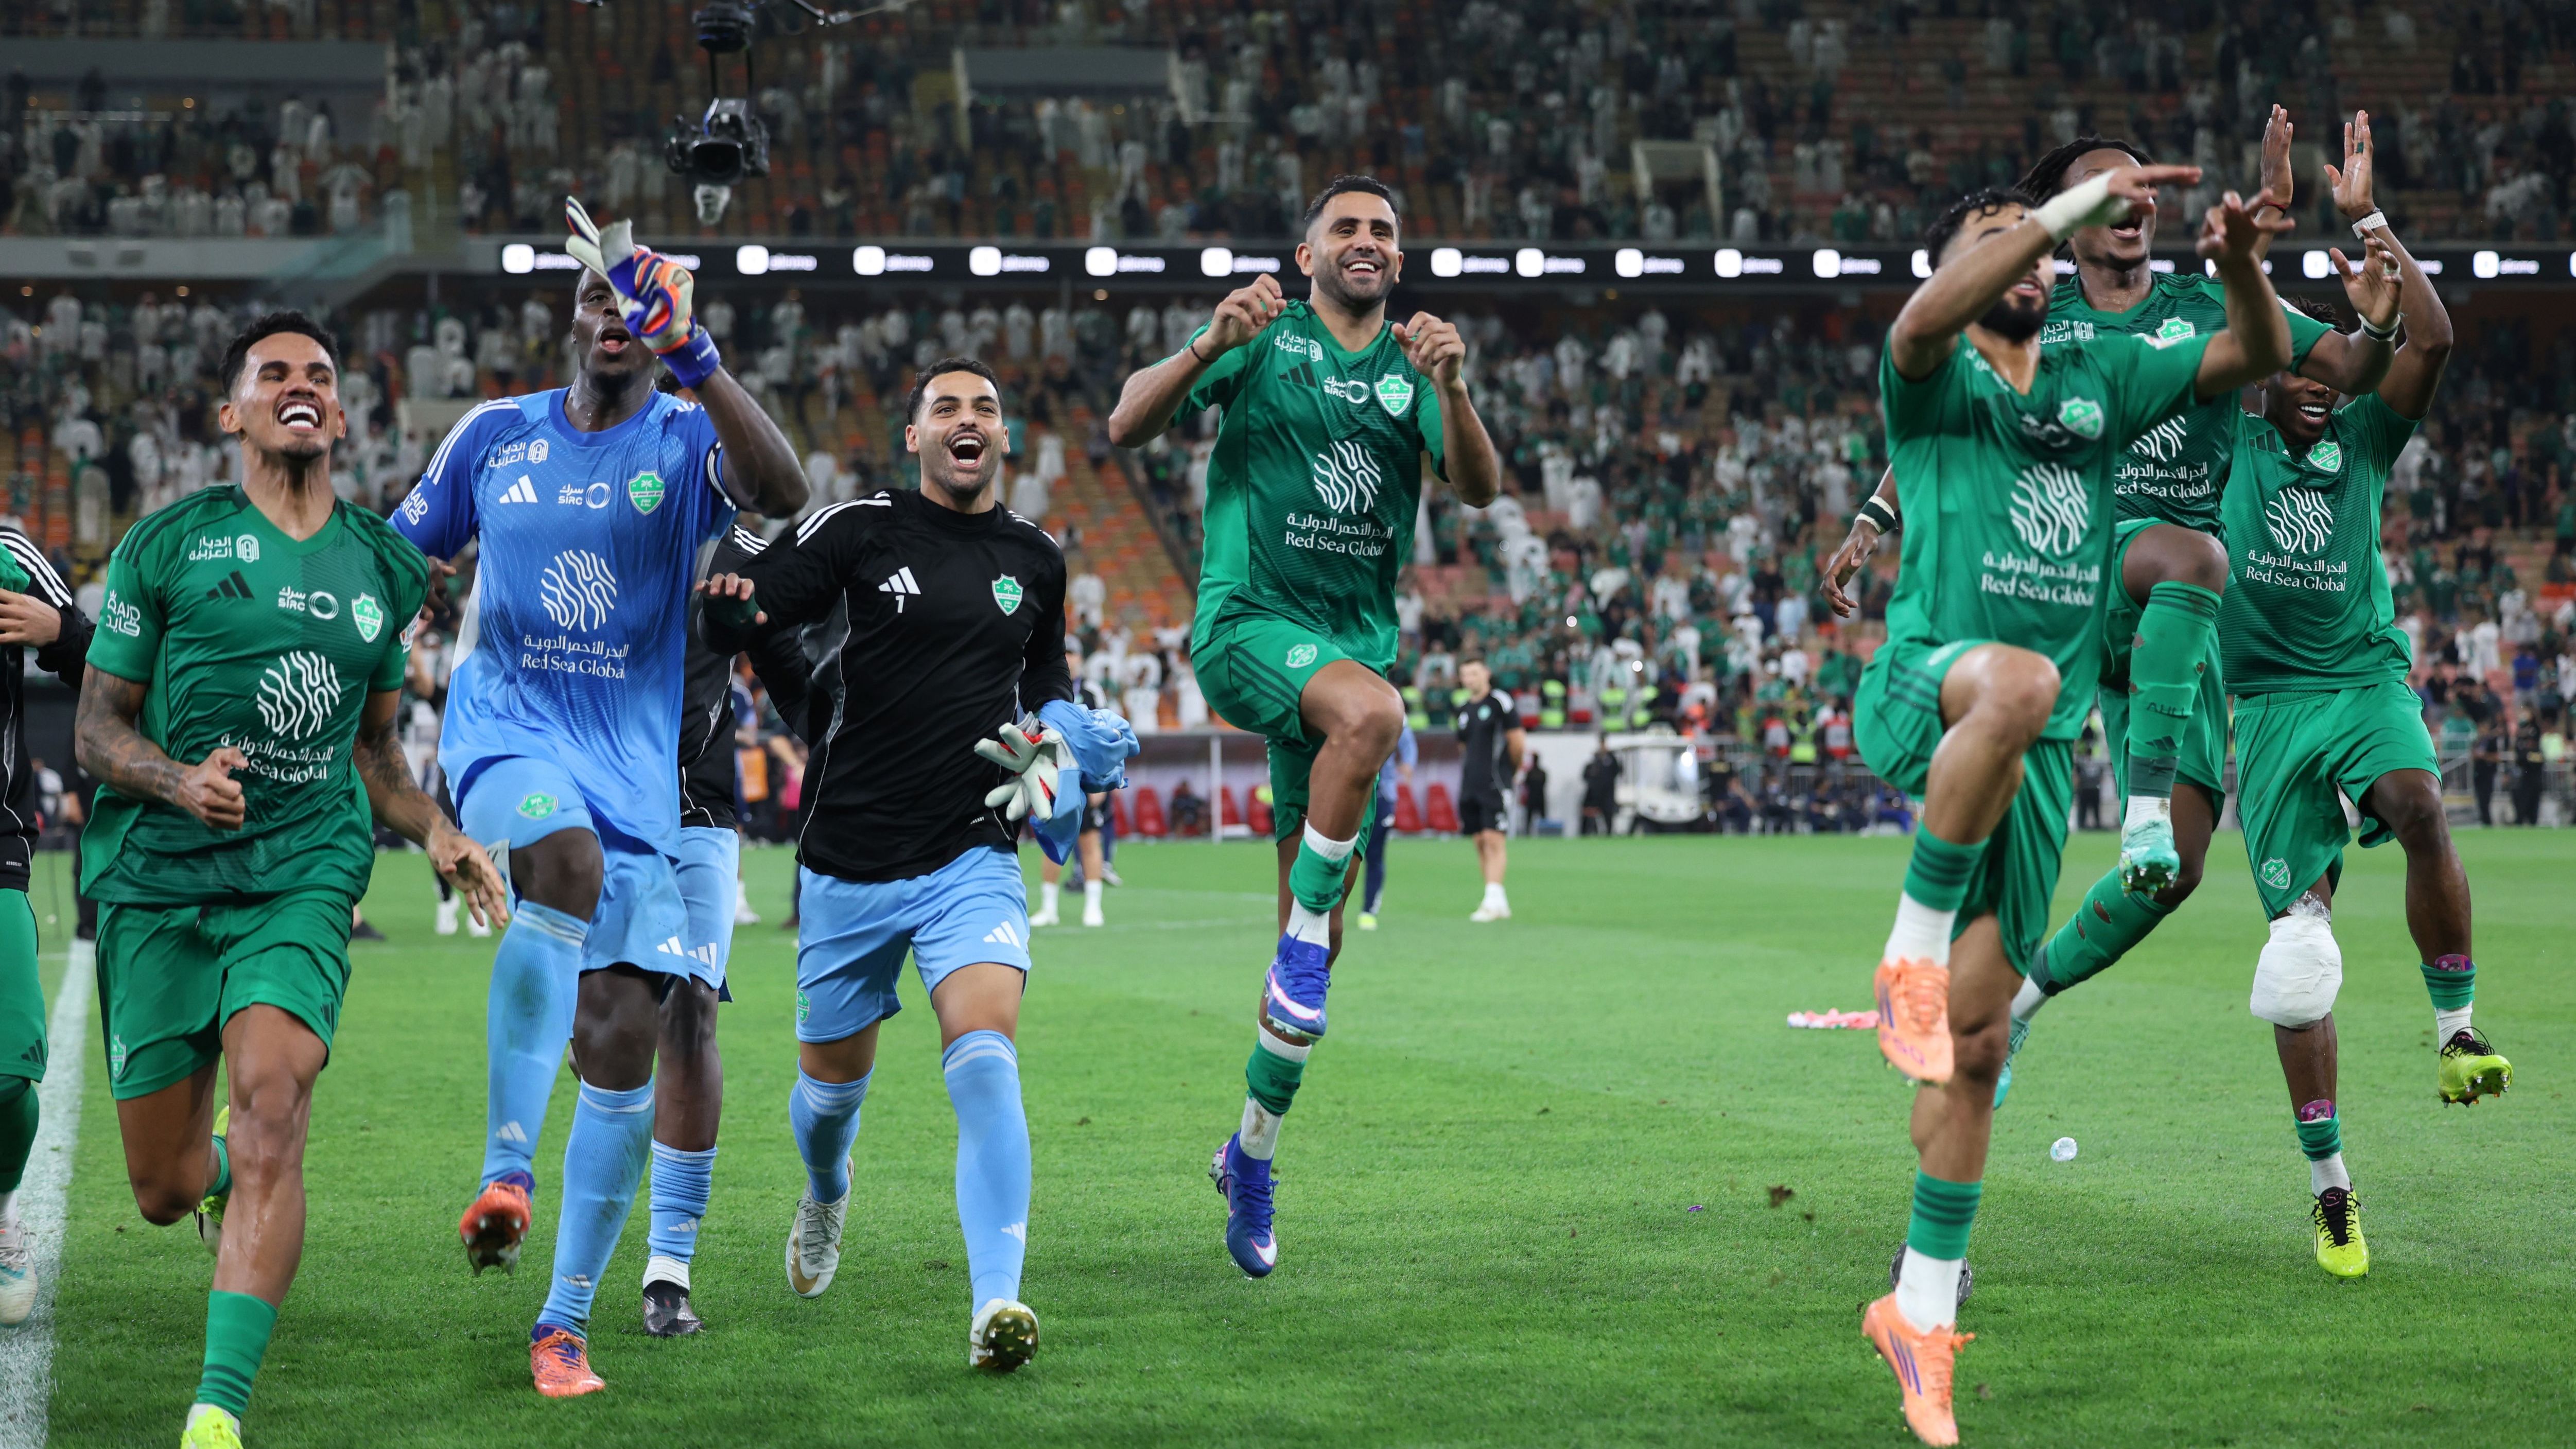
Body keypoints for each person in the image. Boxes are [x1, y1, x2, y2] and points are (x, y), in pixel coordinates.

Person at [1823, 112, 2400, 1098]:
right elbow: (1950, 397)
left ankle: (2017, 1006)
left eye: (2143, 190)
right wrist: (1874, 517)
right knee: (2189, 552)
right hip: (2084, 571)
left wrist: (2356, 298)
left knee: (2171, 872)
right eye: (2106, 191)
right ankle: (2074, 840)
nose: (2134, 204)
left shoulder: (2198, 304)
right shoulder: (2033, 316)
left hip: (2178, 611)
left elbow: (2347, 370)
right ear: (2062, 223)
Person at [1853, 170, 2292, 1446]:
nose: (2025, 261)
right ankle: (1908, 954)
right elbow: (1923, 318)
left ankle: (1917, 1311)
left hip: (2033, 761)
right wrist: (2043, 216)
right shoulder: (1932, 376)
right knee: (2026, 680)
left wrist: (2244, 260)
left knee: (1979, 1053)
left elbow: (2250, 354)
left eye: (2027, 243)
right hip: (1930, 686)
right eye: (1991, 243)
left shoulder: (2099, 385)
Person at [393, 202, 809, 1395]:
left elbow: (779, 488)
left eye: (643, 302)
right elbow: (395, 550)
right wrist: (404, 586)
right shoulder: (495, 434)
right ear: (569, 317)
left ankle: (561, 1322)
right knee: (563, 867)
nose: (616, 316)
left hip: (637, 771)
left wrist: (704, 358)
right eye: (599, 298)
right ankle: (507, 1166)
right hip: (509, 737)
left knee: (625, 1036)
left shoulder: (685, 437)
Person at [74, 312, 508, 1449]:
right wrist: (174, 782)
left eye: (320, 375)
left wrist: (436, 829)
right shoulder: (164, 545)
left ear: (342, 413)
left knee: (275, 1101)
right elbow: (95, 729)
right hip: (159, 878)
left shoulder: (385, 565)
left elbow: (374, 754)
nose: (300, 387)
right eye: (275, 375)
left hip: (302, 870)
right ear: (233, 414)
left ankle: (215, 1415)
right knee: (163, 1188)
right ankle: (209, 1168)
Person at [701, 358, 1135, 1373]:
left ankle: (998, 1305)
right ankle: (825, 1190)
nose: (968, 420)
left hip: (971, 849)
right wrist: (733, 613)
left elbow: (1045, 672)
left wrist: (1058, 739)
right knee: (829, 1100)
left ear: (1003, 438)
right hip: (848, 859)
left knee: (986, 1057)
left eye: (984, 407)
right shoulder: (861, 529)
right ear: (916, 436)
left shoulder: (1035, 557)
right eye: (948, 407)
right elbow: (763, 606)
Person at [1105, 174, 1500, 1279]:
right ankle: (1301, 957)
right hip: (1249, 629)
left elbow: (1478, 487)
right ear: (1309, 248)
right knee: (1377, 716)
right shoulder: (1262, 337)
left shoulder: (1415, 367)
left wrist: (1456, 389)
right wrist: (1202, 344)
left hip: (1338, 673)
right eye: (1348, 229)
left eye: (1383, 230)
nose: (1366, 242)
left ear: (1399, 259)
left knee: (1307, 971)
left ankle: (1251, 1154)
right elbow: (1126, 422)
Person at [2219, 254, 2507, 1280]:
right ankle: (2331, 1189)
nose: (2313, 383)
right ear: (2260, 372)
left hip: (2362, 677)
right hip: (2267, 709)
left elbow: (2430, 341)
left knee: (2423, 808)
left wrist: (2376, 228)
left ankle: (2459, 1034)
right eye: (2292, 366)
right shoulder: (2227, 442)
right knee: (2298, 959)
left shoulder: (2366, 436)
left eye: (2326, 367)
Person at [642, 520, 810, 1336]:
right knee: (598, 1036)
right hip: (587, 804)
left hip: (697, 804)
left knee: (691, 1011)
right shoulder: (585, 502)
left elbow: (799, 653)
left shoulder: (747, 551)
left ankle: (667, 1270)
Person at [0, 523, 87, 1328]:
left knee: (7, 1066)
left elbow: (107, 660)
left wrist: (57, 630)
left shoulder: (7, 551)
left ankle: (1, 1207)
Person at [1030, 643, 1112, 928]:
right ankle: (1049, 907)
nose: (1069, 659)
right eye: (1064, 653)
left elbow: (1104, 731)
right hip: (1051, 772)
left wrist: (1101, 784)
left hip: (1084, 775)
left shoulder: (1091, 690)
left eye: (1074, 653)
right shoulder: (1045, 687)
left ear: (1081, 658)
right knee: (1051, 838)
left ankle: (1093, 907)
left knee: (1089, 839)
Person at [1455, 658, 1525, 921]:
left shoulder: (1500, 702)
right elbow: (1463, 747)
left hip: (1495, 782)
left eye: (1473, 673)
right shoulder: (1462, 709)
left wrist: (1509, 774)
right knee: (1480, 841)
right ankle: (1496, 900)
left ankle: (1492, 901)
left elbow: (1517, 742)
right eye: (1464, 674)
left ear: (1486, 673)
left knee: (1495, 840)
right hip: (1470, 784)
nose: (1469, 678)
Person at [1356, 722, 1415, 930]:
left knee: (1374, 855)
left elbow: (1406, 737)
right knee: (1337, 853)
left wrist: (1409, 762)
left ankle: (1368, 911)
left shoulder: (1389, 702)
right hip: (1349, 792)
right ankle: (1327, 909)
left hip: (1382, 793)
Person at [1580, 736, 1621, 835]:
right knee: (1591, 816)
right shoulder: (1594, 763)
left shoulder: (1610, 760)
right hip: (1595, 794)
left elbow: (1618, 770)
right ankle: (1590, 833)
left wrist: (1611, 755)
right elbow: (1586, 776)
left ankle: (1609, 833)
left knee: (1608, 814)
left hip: (1608, 793)